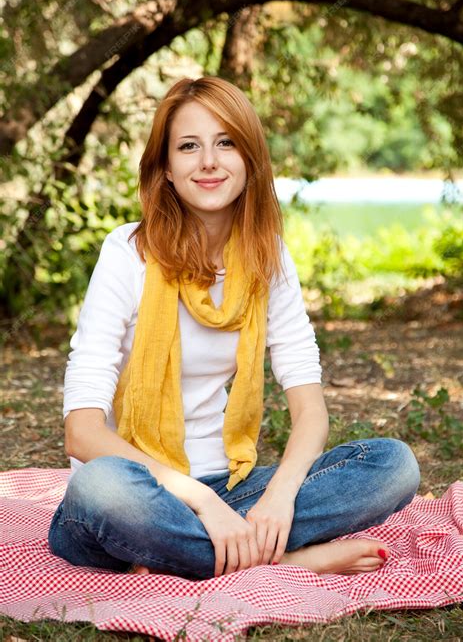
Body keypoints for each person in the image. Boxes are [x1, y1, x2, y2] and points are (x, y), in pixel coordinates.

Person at [48, 76, 420, 580]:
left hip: (230, 485)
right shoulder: (126, 254)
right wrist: (200, 502)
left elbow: (309, 409)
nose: (208, 161)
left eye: (226, 143)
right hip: (137, 492)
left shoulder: (268, 259)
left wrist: (279, 497)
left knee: (392, 465)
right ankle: (288, 560)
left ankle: (193, 553)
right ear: (165, 170)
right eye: (188, 147)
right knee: (102, 489)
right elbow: (83, 432)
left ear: (249, 159)